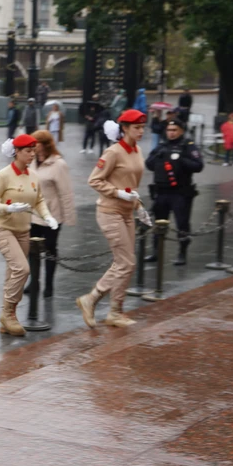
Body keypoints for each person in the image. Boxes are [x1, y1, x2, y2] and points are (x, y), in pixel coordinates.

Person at [75, 109, 150, 328]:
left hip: (127, 211)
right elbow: (94, 180)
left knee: (124, 263)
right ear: (124, 128)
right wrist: (117, 193)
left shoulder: (137, 150)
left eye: (143, 127)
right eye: (137, 127)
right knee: (126, 262)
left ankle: (115, 311)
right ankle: (91, 299)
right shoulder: (113, 152)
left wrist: (139, 206)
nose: (141, 131)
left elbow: (132, 183)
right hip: (109, 212)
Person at [0, 134, 57, 336]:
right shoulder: (3, 175)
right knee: (22, 269)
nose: (32, 155)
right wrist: (8, 208)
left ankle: (8, 317)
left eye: (34, 151)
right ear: (16, 152)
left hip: (23, 231)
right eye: (28, 151)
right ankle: (8, 314)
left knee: (12, 274)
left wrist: (48, 216)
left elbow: (39, 200)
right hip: (3, 229)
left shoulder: (33, 176)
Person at [144, 118, 204, 265]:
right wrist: (159, 157)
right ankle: (156, 252)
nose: (171, 133)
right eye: (169, 130)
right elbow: (149, 164)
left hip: (180, 193)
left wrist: (180, 160)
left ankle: (182, 253)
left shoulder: (187, 146)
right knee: (159, 223)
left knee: (182, 224)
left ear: (181, 131)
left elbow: (198, 165)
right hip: (161, 192)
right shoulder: (161, 146)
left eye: (174, 130)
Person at [31, 130, 76, 297]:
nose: (32, 146)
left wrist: (68, 217)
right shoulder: (31, 162)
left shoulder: (59, 164)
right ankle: (34, 281)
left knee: (50, 249)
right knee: (32, 249)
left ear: (45, 144)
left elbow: (66, 192)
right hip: (33, 213)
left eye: (36, 143)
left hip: (52, 215)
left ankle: (49, 285)